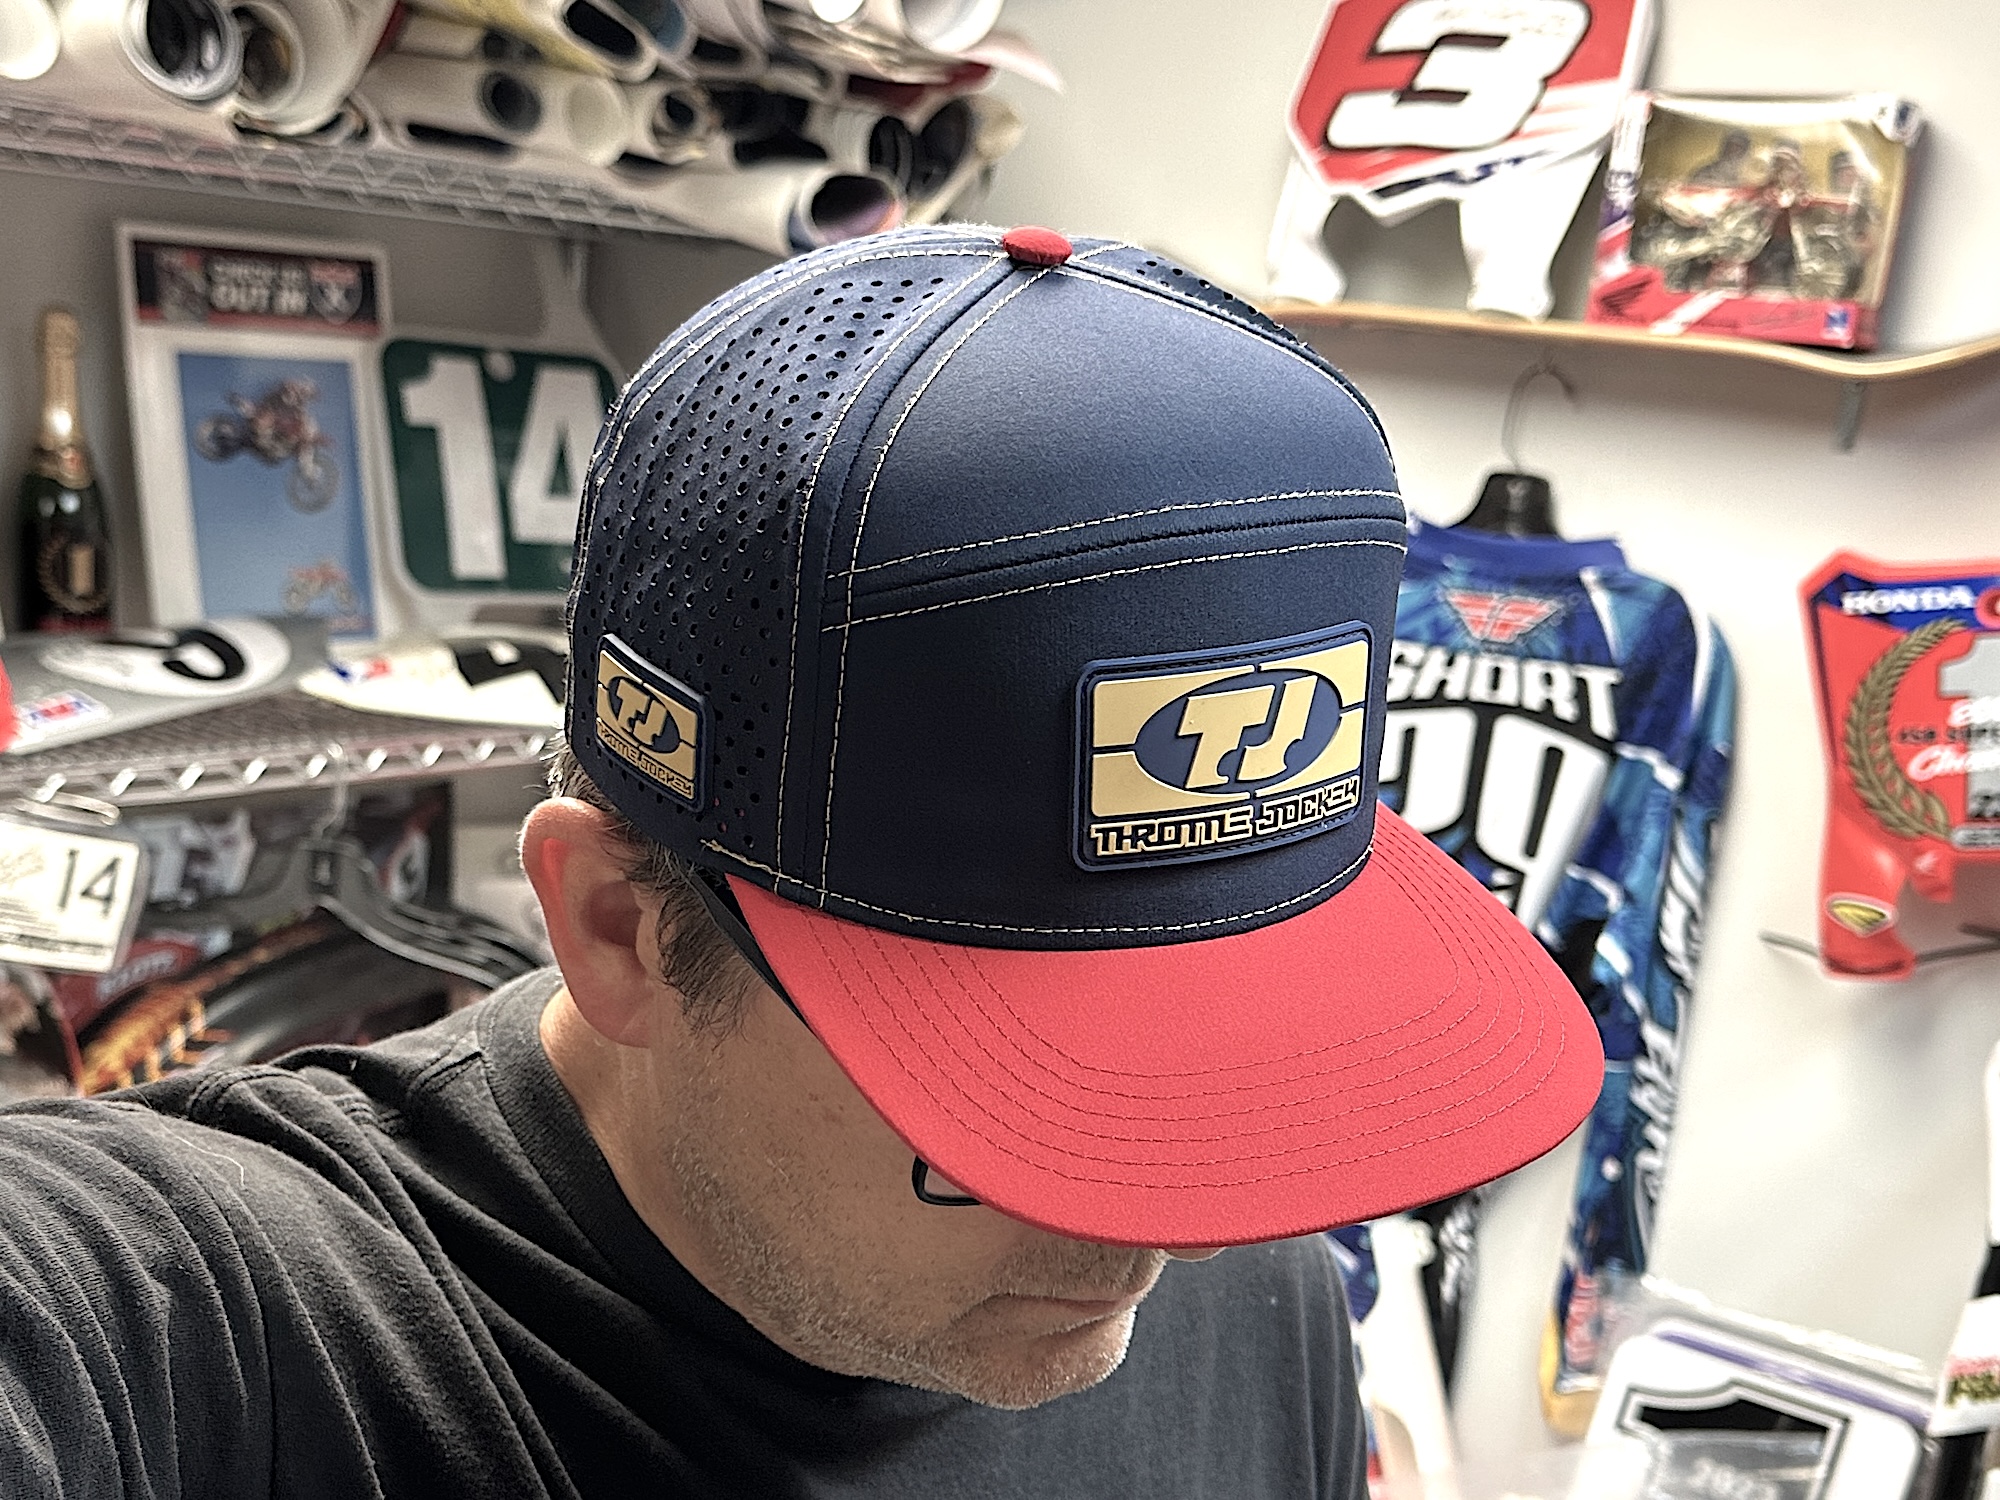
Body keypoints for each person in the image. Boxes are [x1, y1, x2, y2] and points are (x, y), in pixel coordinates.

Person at [0, 224, 1602, 1497]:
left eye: (1209, 1061)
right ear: (618, 928)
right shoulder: (200, 1334)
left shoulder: (1260, 1310)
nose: (1156, 1236)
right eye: (1007, 1118)